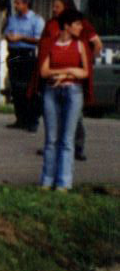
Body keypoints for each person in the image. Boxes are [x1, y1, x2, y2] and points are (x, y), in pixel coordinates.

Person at [35, 0, 101, 162]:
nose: (54, 9)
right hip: (53, 74)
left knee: (74, 116)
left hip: (74, 77)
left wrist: (87, 60)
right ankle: (53, 144)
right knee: (53, 115)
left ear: (66, 7)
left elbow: (97, 43)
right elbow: (44, 45)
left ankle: (77, 146)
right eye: (53, 6)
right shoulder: (51, 24)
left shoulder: (80, 23)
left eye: (57, 6)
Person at [38, 11, 91, 192]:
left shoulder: (80, 45)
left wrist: (66, 74)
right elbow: (44, 71)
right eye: (77, 24)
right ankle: (47, 180)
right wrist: (67, 72)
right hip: (51, 92)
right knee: (51, 138)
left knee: (67, 139)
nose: (80, 27)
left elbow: (84, 72)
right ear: (67, 26)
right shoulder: (50, 44)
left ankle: (63, 182)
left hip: (73, 92)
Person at [2, 0, 43, 132]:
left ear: (26, 4)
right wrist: (9, 37)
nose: (16, 5)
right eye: (15, 3)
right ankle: (20, 119)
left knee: (28, 88)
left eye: (18, 3)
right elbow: (7, 33)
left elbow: (39, 39)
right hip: (14, 54)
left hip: (27, 54)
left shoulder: (36, 20)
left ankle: (32, 120)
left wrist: (21, 38)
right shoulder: (13, 19)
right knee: (16, 88)